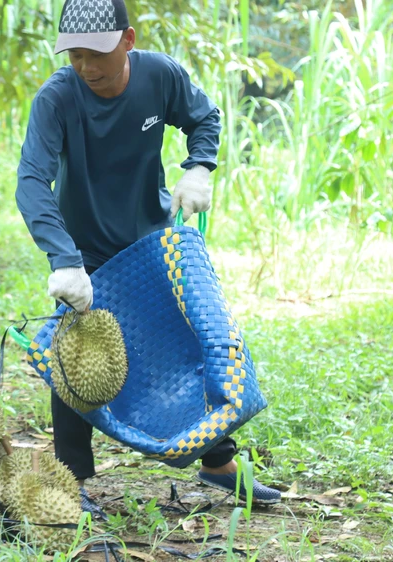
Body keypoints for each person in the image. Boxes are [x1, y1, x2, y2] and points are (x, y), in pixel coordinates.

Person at [14, 0, 281, 516]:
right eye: (75, 56)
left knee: (186, 342)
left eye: (97, 53)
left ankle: (217, 460)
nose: (87, 66)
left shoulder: (160, 76)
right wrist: (64, 260)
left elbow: (205, 117)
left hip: (153, 239)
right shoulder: (58, 98)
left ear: (128, 41)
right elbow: (32, 182)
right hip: (85, 250)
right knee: (76, 360)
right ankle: (72, 479)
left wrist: (199, 167)